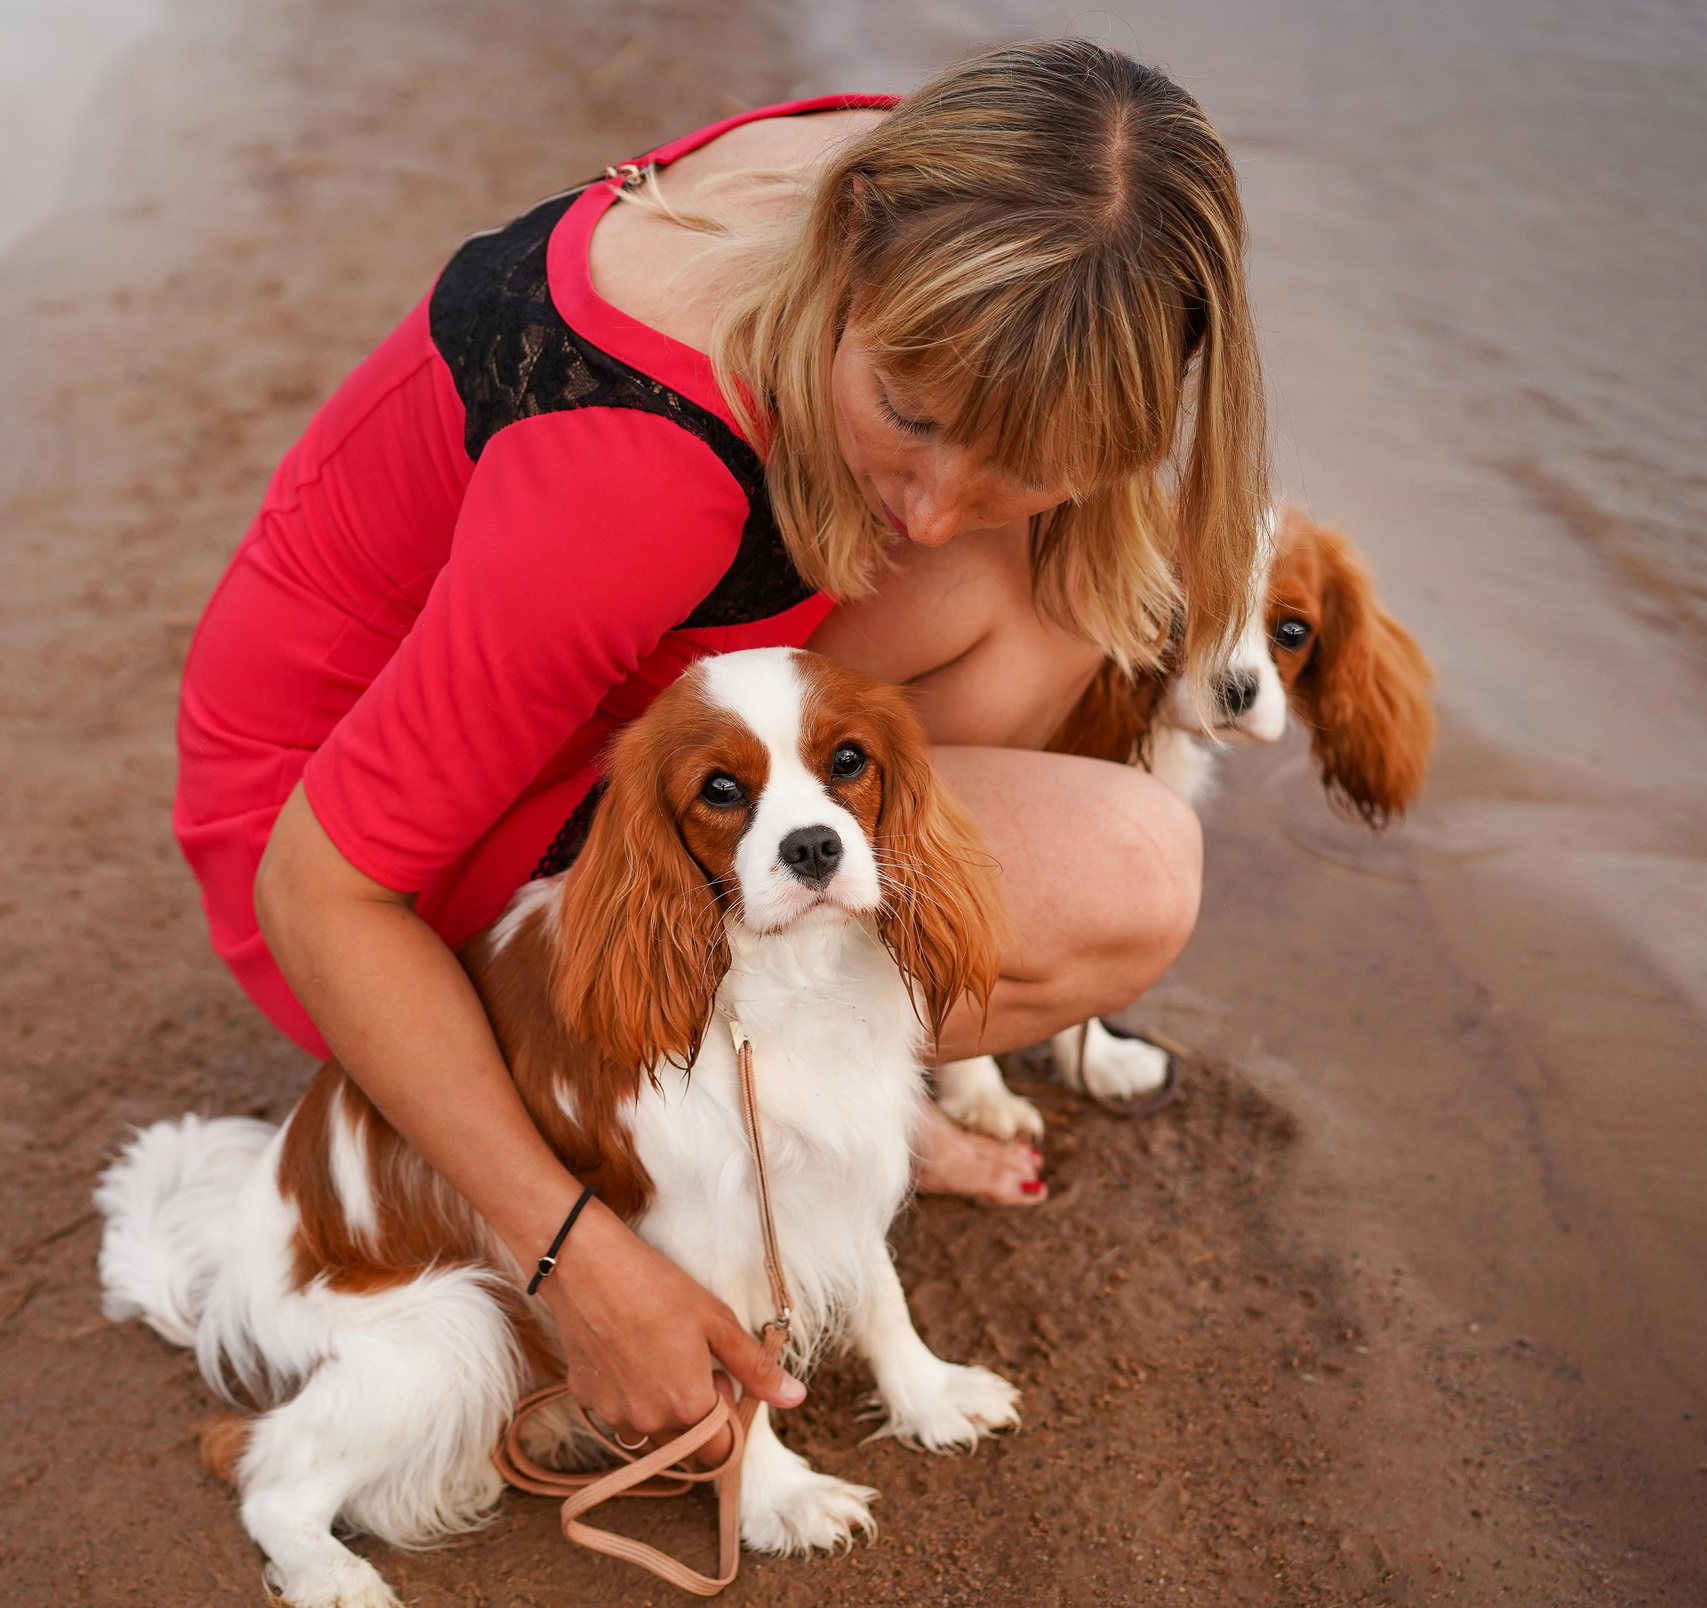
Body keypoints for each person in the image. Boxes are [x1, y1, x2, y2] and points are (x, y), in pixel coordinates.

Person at [173, 41, 1266, 1452]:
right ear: (856, 253)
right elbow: (318, 891)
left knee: (1043, 585)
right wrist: (575, 1256)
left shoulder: (966, 187)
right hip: (345, 849)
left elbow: (980, 521)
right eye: (912, 422)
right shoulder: (643, 482)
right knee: (1125, 874)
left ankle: (819, 1098)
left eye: (1014, 460)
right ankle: (683, 1118)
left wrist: (969, 466)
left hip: (567, 697)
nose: (932, 512)